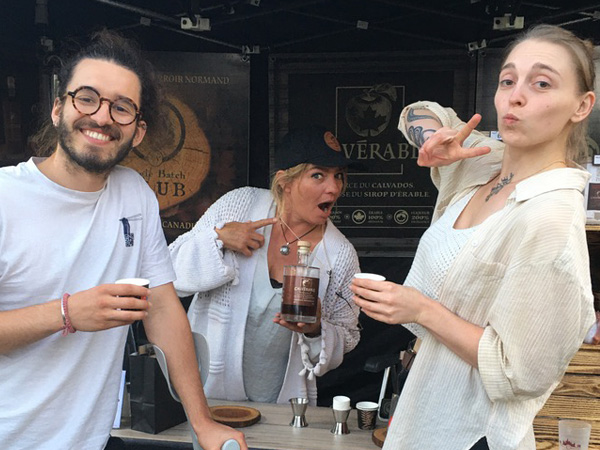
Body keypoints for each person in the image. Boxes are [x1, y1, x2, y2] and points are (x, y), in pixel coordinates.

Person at [351, 24, 596, 450]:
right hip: (423, 415)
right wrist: (431, 139)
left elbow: (517, 372)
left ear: (581, 106)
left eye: (541, 83)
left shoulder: (550, 217)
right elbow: (418, 111)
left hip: (472, 435)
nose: (516, 96)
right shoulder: (483, 162)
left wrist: (420, 309)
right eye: (507, 80)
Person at [0, 30, 246, 450]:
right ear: (59, 108)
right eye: (87, 98)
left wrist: (201, 422)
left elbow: (164, 309)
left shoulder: (134, 194)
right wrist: (67, 312)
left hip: (89, 440)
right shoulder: (7, 197)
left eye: (122, 108)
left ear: (139, 131)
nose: (102, 117)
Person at [169, 126, 361, 405]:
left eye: (339, 176)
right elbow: (169, 272)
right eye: (318, 175)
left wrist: (316, 329)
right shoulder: (241, 205)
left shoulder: (340, 254)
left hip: (285, 404)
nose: (333, 187)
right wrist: (219, 239)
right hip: (206, 392)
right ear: (285, 181)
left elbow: (348, 334)